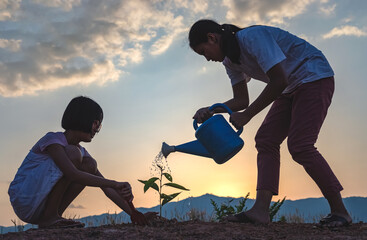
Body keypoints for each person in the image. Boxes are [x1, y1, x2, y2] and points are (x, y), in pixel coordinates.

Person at [189, 19, 351, 227]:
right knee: (266, 140)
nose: (207, 58)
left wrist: (247, 115)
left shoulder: (251, 37)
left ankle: (340, 212)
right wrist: (211, 110)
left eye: (204, 52)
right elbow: (241, 100)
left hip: (313, 76)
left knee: (300, 146)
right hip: (290, 86)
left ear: (212, 38)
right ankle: (260, 211)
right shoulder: (230, 61)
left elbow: (278, 80)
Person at [8, 96, 155, 228]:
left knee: (90, 165)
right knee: (73, 153)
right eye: (96, 123)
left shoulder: (81, 152)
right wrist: (115, 183)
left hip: (41, 203)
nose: (97, 129)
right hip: (25, 198)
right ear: (84, 119)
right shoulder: (53, 140)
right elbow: (72, 174)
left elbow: (105, 187)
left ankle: (52, 217)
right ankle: (50, 217)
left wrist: (133, 213)